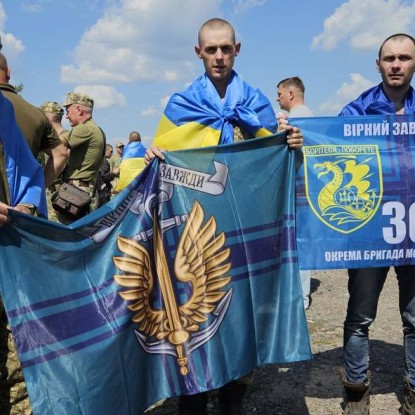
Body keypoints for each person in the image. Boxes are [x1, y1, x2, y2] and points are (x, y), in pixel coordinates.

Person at [145, 17, 303, 415]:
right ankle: (194, 396)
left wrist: (292, 146)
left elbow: (275, 164)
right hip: (195, 234)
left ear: (237, 49)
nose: (218, 56)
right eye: (210, 49)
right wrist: (150, 156)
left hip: (245, 230)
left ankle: (234, 397)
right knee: (195, 313)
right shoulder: (181, 105)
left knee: (241, 312)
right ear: (198, 52)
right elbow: (159, 158)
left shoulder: (256, 103)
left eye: (225, 48)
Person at [338, 33, 415, 415]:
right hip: (369, 229)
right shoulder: (357, 111)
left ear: (414, 62)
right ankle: (355, 391)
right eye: (389, 58)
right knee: (360, 315)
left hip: (414, 230)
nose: (396, 64)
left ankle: (413, 392)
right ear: (378, 64)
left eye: (404, 57)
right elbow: (327, 153)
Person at [0, 90, 47, 414]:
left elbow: (29, 171)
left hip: (7, 253)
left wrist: (28, 205)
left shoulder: (4, 108)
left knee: (15, 369)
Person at [0, 53, 68, 188]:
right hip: (20, 202)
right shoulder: (37, 114)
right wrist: (37, 189)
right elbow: (61, 154)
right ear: (8, 72)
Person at [277, 76, 313, 310]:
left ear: (291, 94)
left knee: (296, 242)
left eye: (279, 94)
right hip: (311, 191)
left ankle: (299, 296)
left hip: (297, 190)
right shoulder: (313, 117)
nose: (277, 98)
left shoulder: (294, 121)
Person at [58, 92, 106, 224]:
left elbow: (56, 143)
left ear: (79, 109)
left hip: (76, 191)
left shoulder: (85, 129)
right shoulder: (96, 129)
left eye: (68, 111)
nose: (66, 116)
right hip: (85, 189)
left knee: (66, 233)